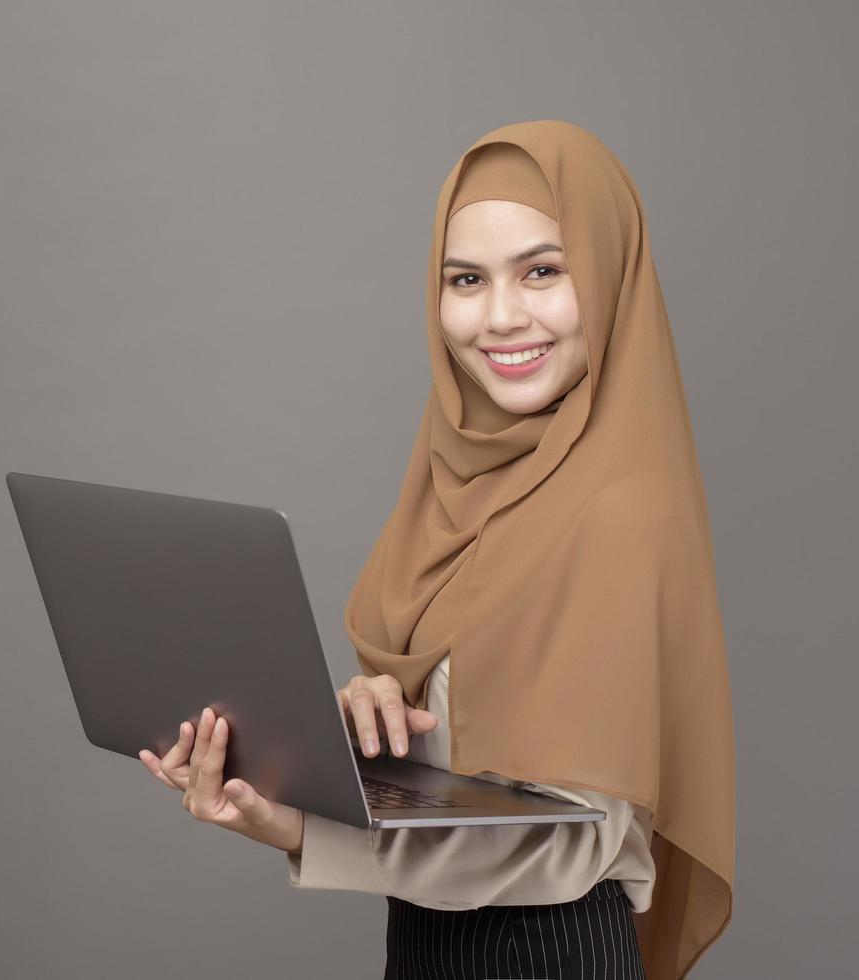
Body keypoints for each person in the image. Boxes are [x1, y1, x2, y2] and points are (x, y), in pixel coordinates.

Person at [138, 120, 735, 980]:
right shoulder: (459, 485)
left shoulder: (620, 511)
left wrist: (298, 827)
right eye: (466, 279)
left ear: (606, 277)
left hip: (546, 956)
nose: (498, 317)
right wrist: (370, 722)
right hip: (429, 941)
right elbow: (475, 749)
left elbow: (557, 849)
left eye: (542, 270)